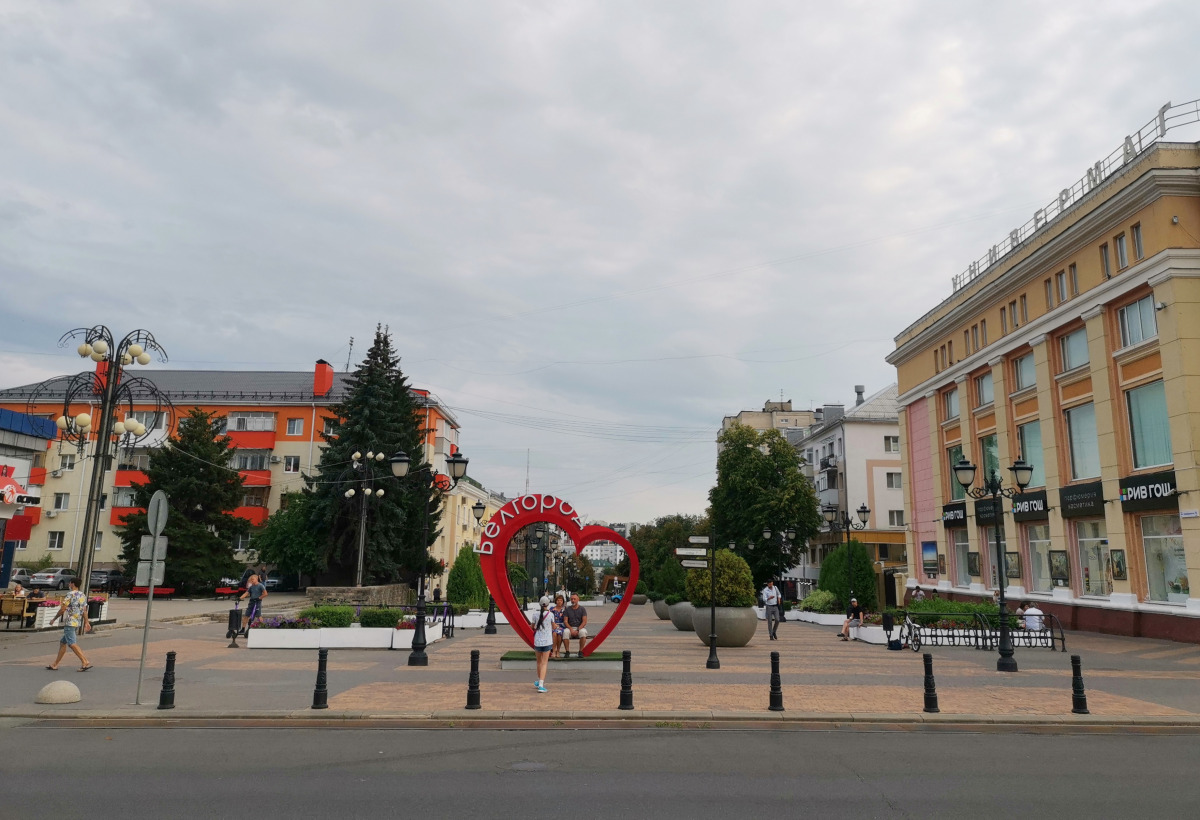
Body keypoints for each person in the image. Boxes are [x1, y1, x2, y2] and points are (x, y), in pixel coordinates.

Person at [46, 579, 92, 672]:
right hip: (77, 622)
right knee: (63, 642)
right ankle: (55, 664)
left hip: (70, 622)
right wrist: (86, 622)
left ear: (73, 584)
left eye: (70, 583)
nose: (69, 584)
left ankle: (85, 661)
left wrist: (54, 619)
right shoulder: (82, 595)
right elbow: (84, 610)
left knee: (71, 643)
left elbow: (63, 609)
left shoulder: (70, 594)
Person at [530, 595, 554, 692]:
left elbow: (532, 626)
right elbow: (553, 625)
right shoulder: (550, 614)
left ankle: (539, 680)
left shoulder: (535, 614)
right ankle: (541, 684)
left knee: (539, 662)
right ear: (548, 604)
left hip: (537, 641)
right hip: (547, 641)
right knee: (544, 663)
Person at [560, 593, 588, 657]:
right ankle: (567, 651)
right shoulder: (567, 609)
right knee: (565, 632)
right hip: (570, 627)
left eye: (574, 599)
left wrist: (578, 629)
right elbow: (565, 621)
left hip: (580, 627)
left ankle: (580, 651)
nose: (573, 600)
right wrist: (571, 629)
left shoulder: (582, 609)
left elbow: (584, 621)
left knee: (583, 633)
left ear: (578, 599)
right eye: (572, 599)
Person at [550, 594, 567, 658]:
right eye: (558, 600)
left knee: (559, 634)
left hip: (561, 626)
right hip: (553, 625)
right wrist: (553, 624)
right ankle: (554, 650)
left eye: (561, 600)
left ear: (563, 601)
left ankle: (558, 650)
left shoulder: (565, 610)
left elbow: (566, 619)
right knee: (554, 633)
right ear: (556, 601)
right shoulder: (552, 609)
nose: (559, 602)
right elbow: (549, 618)